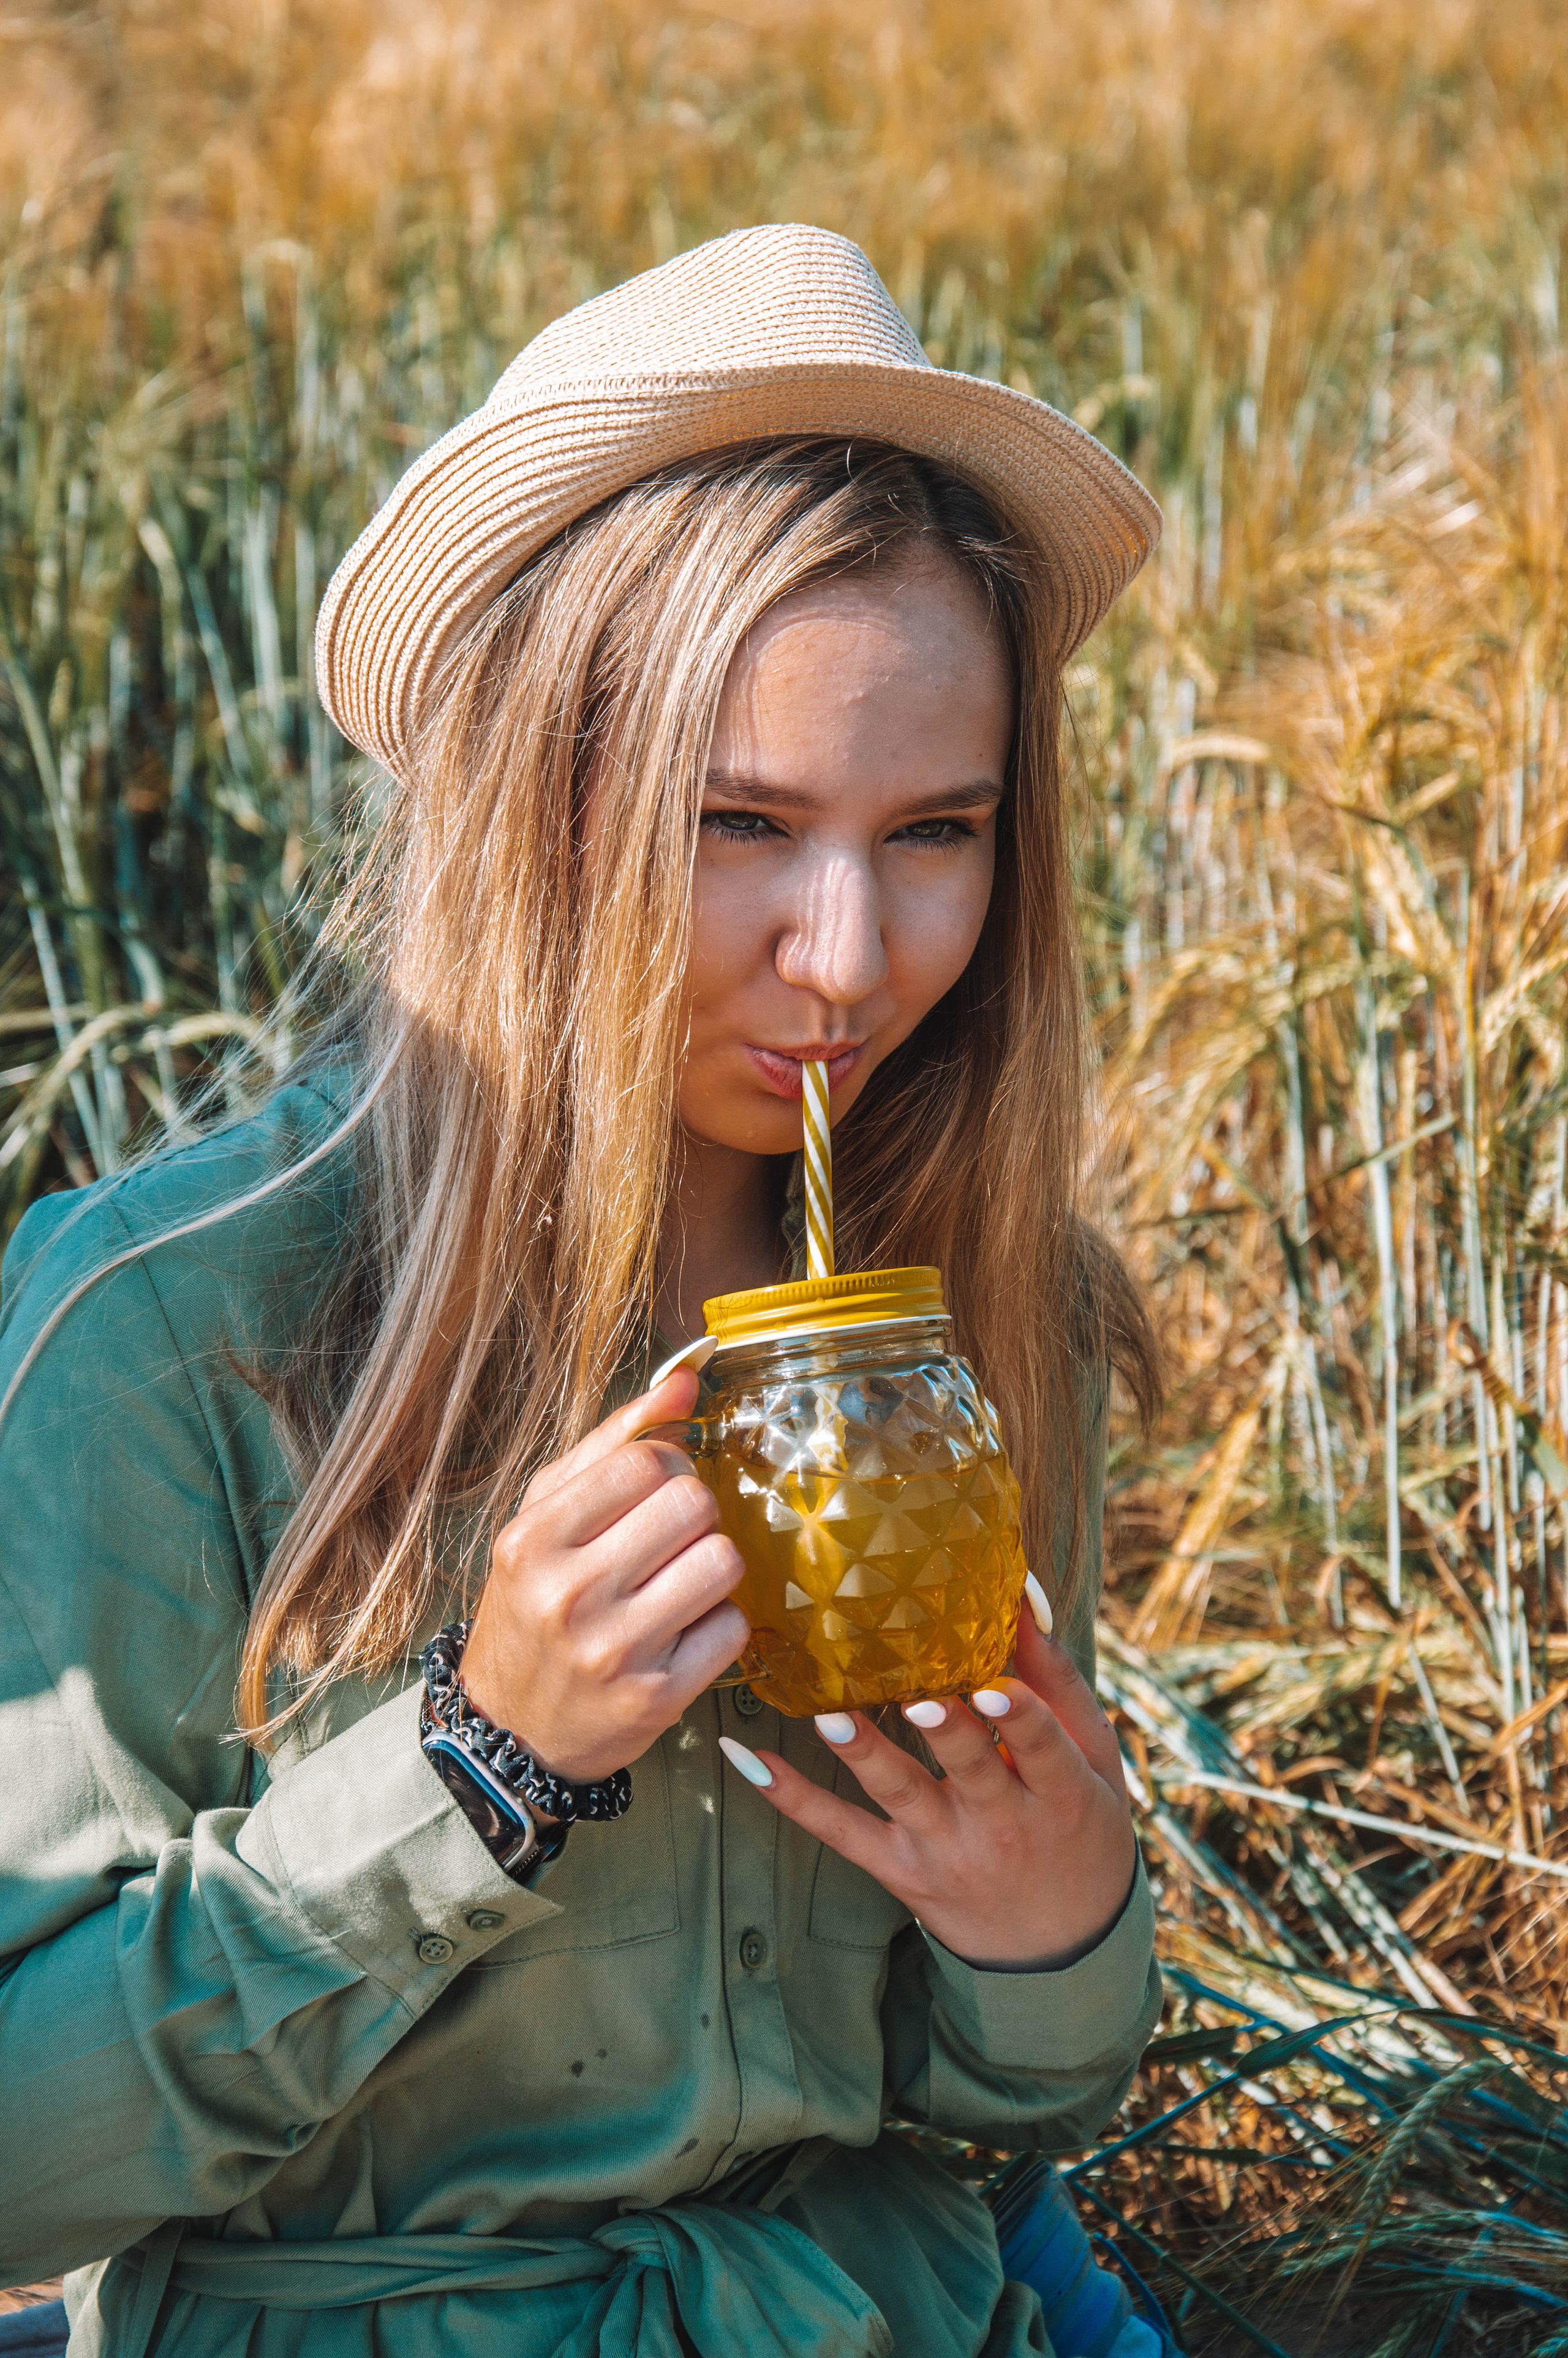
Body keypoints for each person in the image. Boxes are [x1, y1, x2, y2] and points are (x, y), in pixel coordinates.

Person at [0, 225, 1166, 2358]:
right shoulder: (159, 1326)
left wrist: (1054, 1929)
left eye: (937, 830)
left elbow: (995, 2117)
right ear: (532, 803)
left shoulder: (994, 1317)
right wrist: (474, 1763)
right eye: (739, 821)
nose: (849, 956)